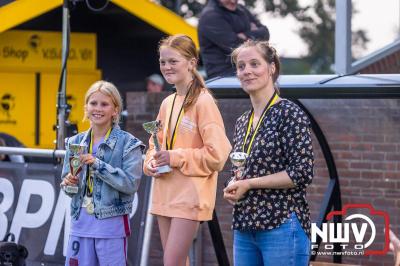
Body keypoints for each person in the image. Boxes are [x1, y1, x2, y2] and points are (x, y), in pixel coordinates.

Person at [223, 40, 314, 266]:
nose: (247, 71)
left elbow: (301, 173)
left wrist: (250, 184)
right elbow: (244, 169)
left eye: (255, 64)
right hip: (244, 226)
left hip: (281, 224)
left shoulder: (290, 113)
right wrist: (234, 184)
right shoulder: (243, 121)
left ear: (271, 68)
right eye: (241, 66)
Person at [143, 34, 231, 266]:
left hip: (190, 194)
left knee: (171, 263)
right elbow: (156, 143)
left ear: (192, 63)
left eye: (174, 61)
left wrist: (174, 157)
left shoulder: (204, 102)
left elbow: (218, 155)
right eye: (163, 61)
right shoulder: (167, 102)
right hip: (164, 192)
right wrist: (151, 161)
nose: (167, 67)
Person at [60, 80, 144, 266]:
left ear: (115, 110)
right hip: (80, 223)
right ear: (86, 107)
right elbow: (69, 188)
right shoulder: (74, 141)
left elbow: (130, 184)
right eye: (93, 103)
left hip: (111, 226)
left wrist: (98, 165)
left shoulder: (129, 143)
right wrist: (69, 184)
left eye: (104, 104)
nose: (98, 108)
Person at [198, 0, 270, 79]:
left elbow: (265, 33)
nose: (233, 1)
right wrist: (253, 33)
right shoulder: (210, 16)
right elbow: (236, 47)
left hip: (249, 73)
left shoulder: (241, 9)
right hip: (225, 78)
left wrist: (245, 35)